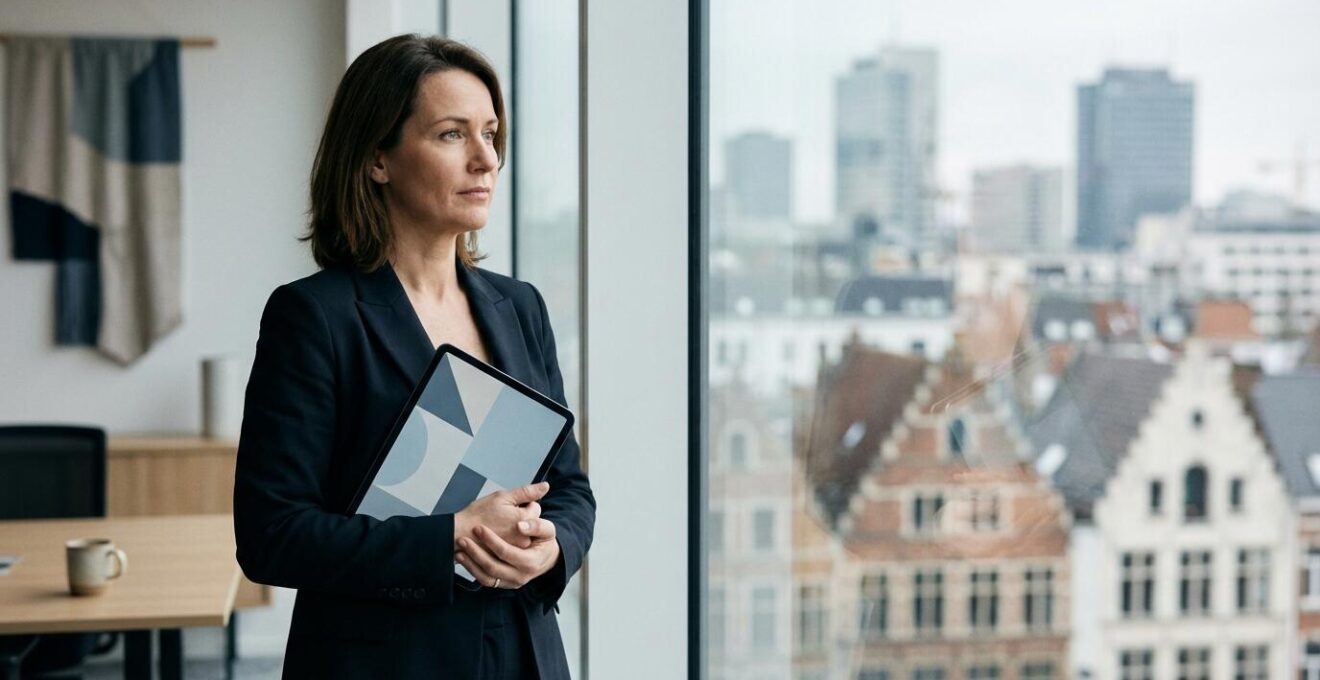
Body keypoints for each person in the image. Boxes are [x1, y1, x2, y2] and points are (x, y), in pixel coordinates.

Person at [232, 34, 595, 679]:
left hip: (522, 653)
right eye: (452, 135)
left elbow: (568, 488)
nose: (486, 159)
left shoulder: (520, 307)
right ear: (378, 158)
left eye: (490, 134)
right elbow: (272, 535)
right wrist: (449, 536)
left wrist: (551, 549)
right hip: (385, 663)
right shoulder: (314, 316)